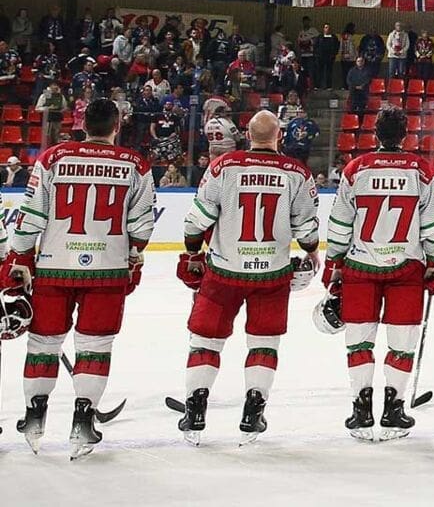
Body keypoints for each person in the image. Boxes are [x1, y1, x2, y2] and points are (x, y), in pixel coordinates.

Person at [2, 98, 156, 456]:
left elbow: (31, 215)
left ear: (82, 124)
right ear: (116, 126)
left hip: (54, 267)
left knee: (43, 345)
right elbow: (141, 226)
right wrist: (133, 255)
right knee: (96, 347)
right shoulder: (134, 164)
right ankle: (83, 423)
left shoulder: (53, 158)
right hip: (107, 270)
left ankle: (34, 417)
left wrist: (21, 257)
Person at [175, 110, 320, 442]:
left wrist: (194, 253)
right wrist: (312, 252)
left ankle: (196, 410)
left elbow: (196, 220)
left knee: (206, 340)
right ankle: (253, 410)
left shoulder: (224, 166)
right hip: (272, 274)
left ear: (248, 135)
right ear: (279, 135)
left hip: (223, 271)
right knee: (264, 342)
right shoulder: (296, 172)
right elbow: (306, 227)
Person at [323, 105, 434, 440]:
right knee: (402, 342)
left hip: (360, 268)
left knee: (359, 341)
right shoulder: (421, 171)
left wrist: (333, 264)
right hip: (407, 269)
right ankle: (394, 408)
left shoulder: (356, 169)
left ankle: (361, 408)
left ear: (375, 134)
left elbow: (338, 226)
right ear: (404, 135)